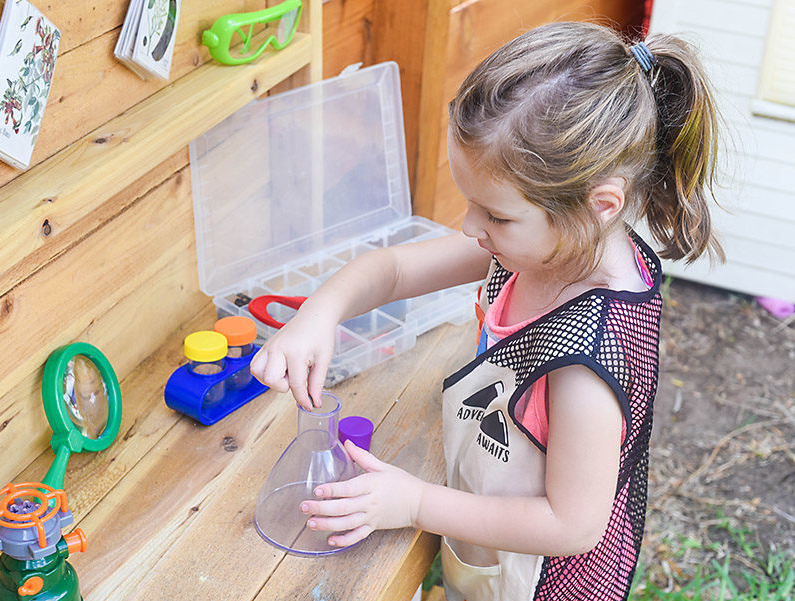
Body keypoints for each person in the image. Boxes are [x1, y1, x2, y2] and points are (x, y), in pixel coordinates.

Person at [250, 21, 723, 601]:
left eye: (495, 215)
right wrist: (320, 313)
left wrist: (417, 503)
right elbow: (395, 270)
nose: (472, 228)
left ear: (599, 206)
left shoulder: (588, 360)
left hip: (544, 581)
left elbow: (573, 525)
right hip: (486, 543)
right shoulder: (544, 248)